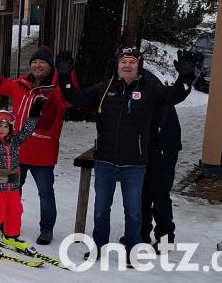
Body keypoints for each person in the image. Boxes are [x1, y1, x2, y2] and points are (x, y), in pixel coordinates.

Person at [55, 47, 196, 260]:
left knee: (136, 209)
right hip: (105, 161)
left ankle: (136, 248)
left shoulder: (150, 89)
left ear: (139, 66)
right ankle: (98, 247)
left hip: (138, 161)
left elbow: (175, 95)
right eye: (123, 61)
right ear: (116, 65)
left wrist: (185, 76)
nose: (127, 65)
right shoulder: (105, 87)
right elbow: (78, 98)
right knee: (101, 209)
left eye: (132, 61)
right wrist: (64, 76)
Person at [0, 46, 70, 245]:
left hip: (43, 153)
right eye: (34, 61)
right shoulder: (21, 85)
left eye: (42, 62)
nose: (37, 65)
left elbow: (70, 99)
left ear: (51, 67)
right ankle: (6, 226)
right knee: (11, 192)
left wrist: (68, 75)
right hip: (16, 152)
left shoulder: (57, 90)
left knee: (45, 193)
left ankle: (46, 229)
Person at [0, 97, 46, 252]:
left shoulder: (13, 142)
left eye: (5, 126)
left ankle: (10, 237)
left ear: (10, 129)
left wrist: (34, 113)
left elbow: (27, 131)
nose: (2, 128)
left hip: (12, 186)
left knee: (15, 211)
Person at [140, 69, 182, 249]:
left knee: (159, 193)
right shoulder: (129, 81)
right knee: (141, 192)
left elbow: (158, 119)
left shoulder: (149, 84)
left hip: (164, 145)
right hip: (146, 146)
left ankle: (165, 237)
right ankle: (141, 233)